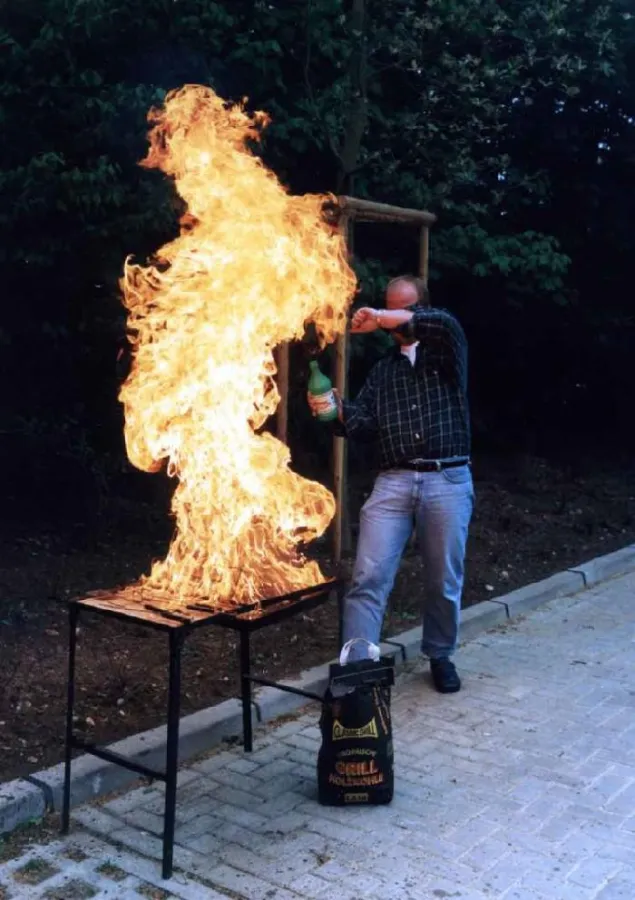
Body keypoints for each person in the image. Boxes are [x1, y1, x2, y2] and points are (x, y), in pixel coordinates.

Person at [309, 275, 473, 693]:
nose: (396, 319)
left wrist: (380, 316)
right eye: (388, 306)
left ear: (420, 309)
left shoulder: (447, 352)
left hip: (447, 478)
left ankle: (440, 655)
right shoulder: (384, 371)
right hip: (393, 483)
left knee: (442, 580)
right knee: (368, 577)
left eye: (405, 309)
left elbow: (442, 324)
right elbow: (362, 424)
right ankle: (358, 670)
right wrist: (333, 409)